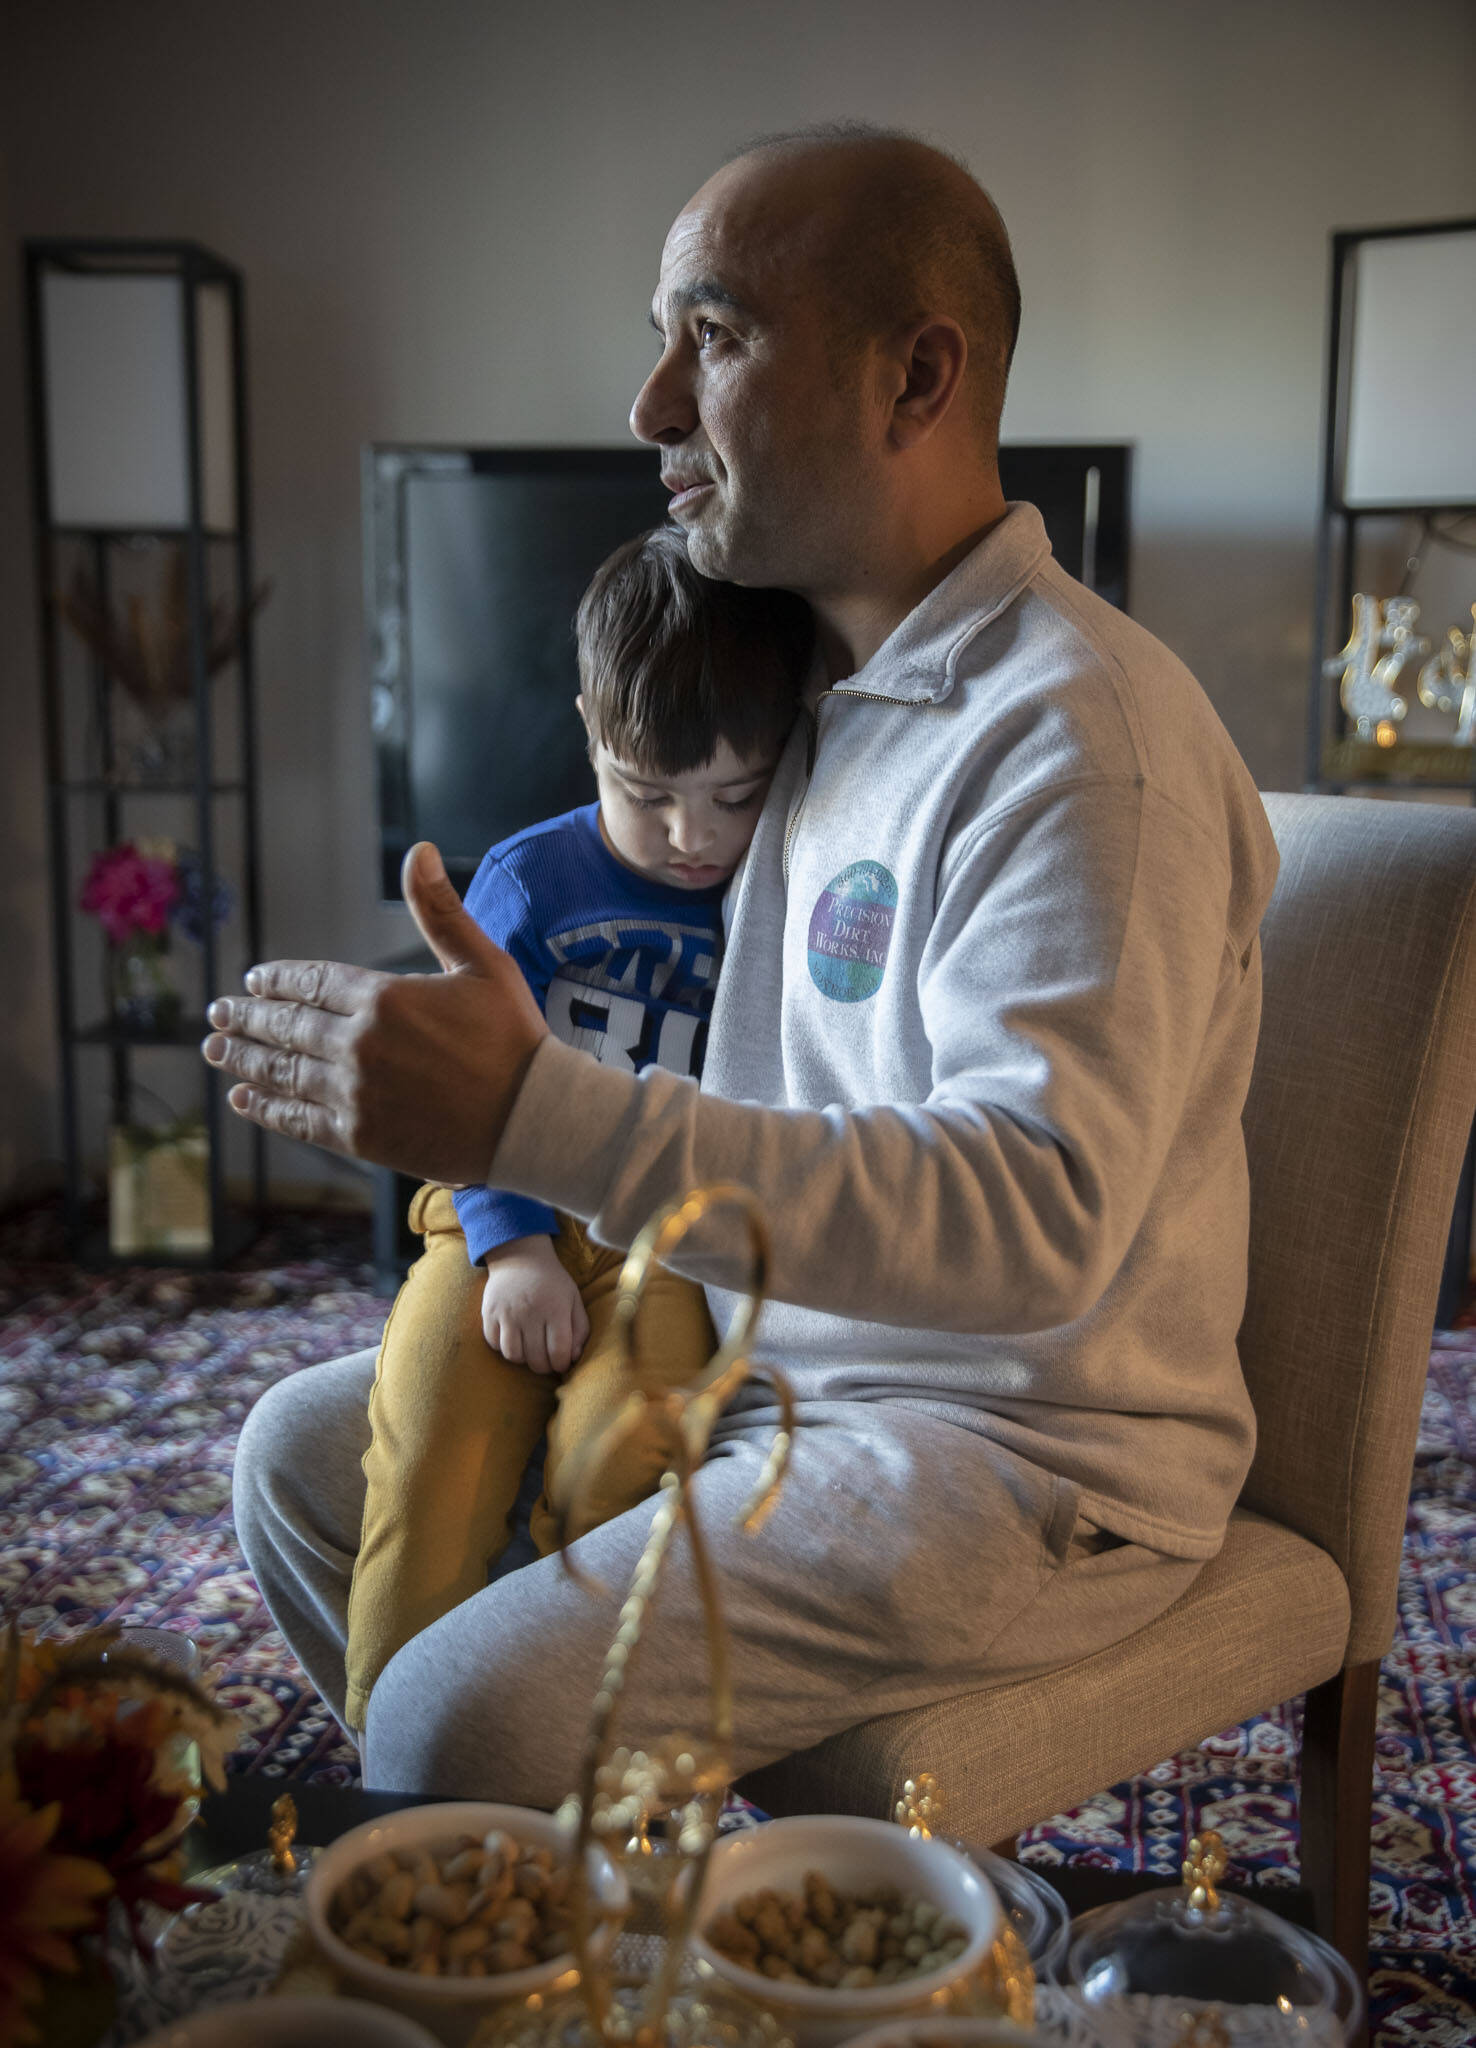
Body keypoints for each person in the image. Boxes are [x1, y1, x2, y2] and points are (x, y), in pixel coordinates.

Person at [211, 123, 1279, 1808]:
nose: (646, 403)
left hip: (1013, 1450)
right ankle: (581, 1917)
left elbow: (1041, 1216)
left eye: (710, 336)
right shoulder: (821, 707)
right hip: (778, 1362)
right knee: (292, 1457)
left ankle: (524, 1885)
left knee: (445, 1723)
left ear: (913, 375)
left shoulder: (1081, 738)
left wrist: (536, 1113)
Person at [343, 524, 811, 1732]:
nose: (690, 836)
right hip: (508, 1204)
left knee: (624, 1456)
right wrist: (509, 1246)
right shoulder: (530, 878)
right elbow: (458, 1082)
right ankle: (389, 1775)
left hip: (670, 1235)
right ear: (590, 733)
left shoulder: (780, 891)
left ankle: (551, 1738)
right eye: (645, 794)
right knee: (429, 1453)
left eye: (734, 798)